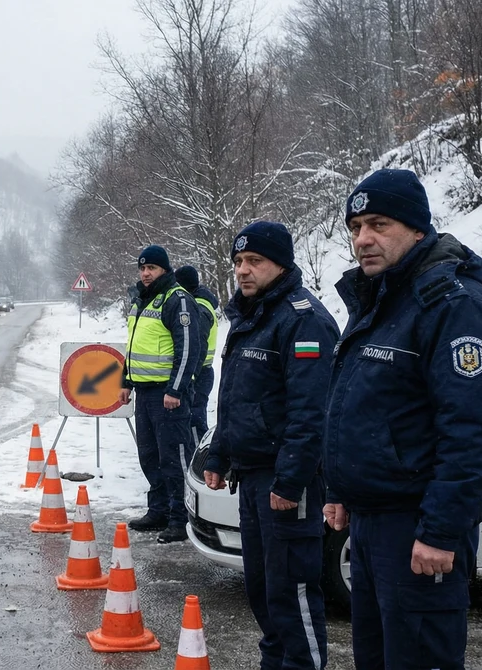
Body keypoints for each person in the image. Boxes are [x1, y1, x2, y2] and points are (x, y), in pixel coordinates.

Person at [323, 169, 482, 668]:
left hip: (416, 528)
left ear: (417, 229)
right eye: (356, 227)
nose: (364, 239)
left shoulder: (454, 307)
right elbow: (361, 407)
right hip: (370, 525)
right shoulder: (379, 301)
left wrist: (441, 531)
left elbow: (474, 430)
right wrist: (340, 490)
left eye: (379, 224)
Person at [203, 221, 337, 670]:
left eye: (254, 261)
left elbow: (312, 410)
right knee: (261, 589)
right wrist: (220, 453)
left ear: (281, 263)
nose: (243, 270)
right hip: (253, 476)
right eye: (239, 262)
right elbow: (234, 397)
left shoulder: (304, 320)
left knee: (291, 591)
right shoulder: (249, 317)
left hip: (285, 483)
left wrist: (291, 479)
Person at [121, 244, 204, 544]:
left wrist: (176, 389)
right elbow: (131, 346)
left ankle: (180, 518)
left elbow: (188, 348)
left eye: (151, 268)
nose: (145, 273)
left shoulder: (176, 298)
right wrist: (125, 381)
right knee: (149, 456)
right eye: (142, 268)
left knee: (174, 458)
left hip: (168, 397)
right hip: (144, 393)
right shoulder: (142, 301)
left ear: (165, 270)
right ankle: (157, 510)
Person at [175, 265, 220, 442]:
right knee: (194, 418)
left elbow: (196, 346)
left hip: (197, 374)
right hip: (200, 372)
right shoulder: (200, 303)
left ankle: (200, 462)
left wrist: (187, 377)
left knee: (194, 421)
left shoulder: (198, 309)